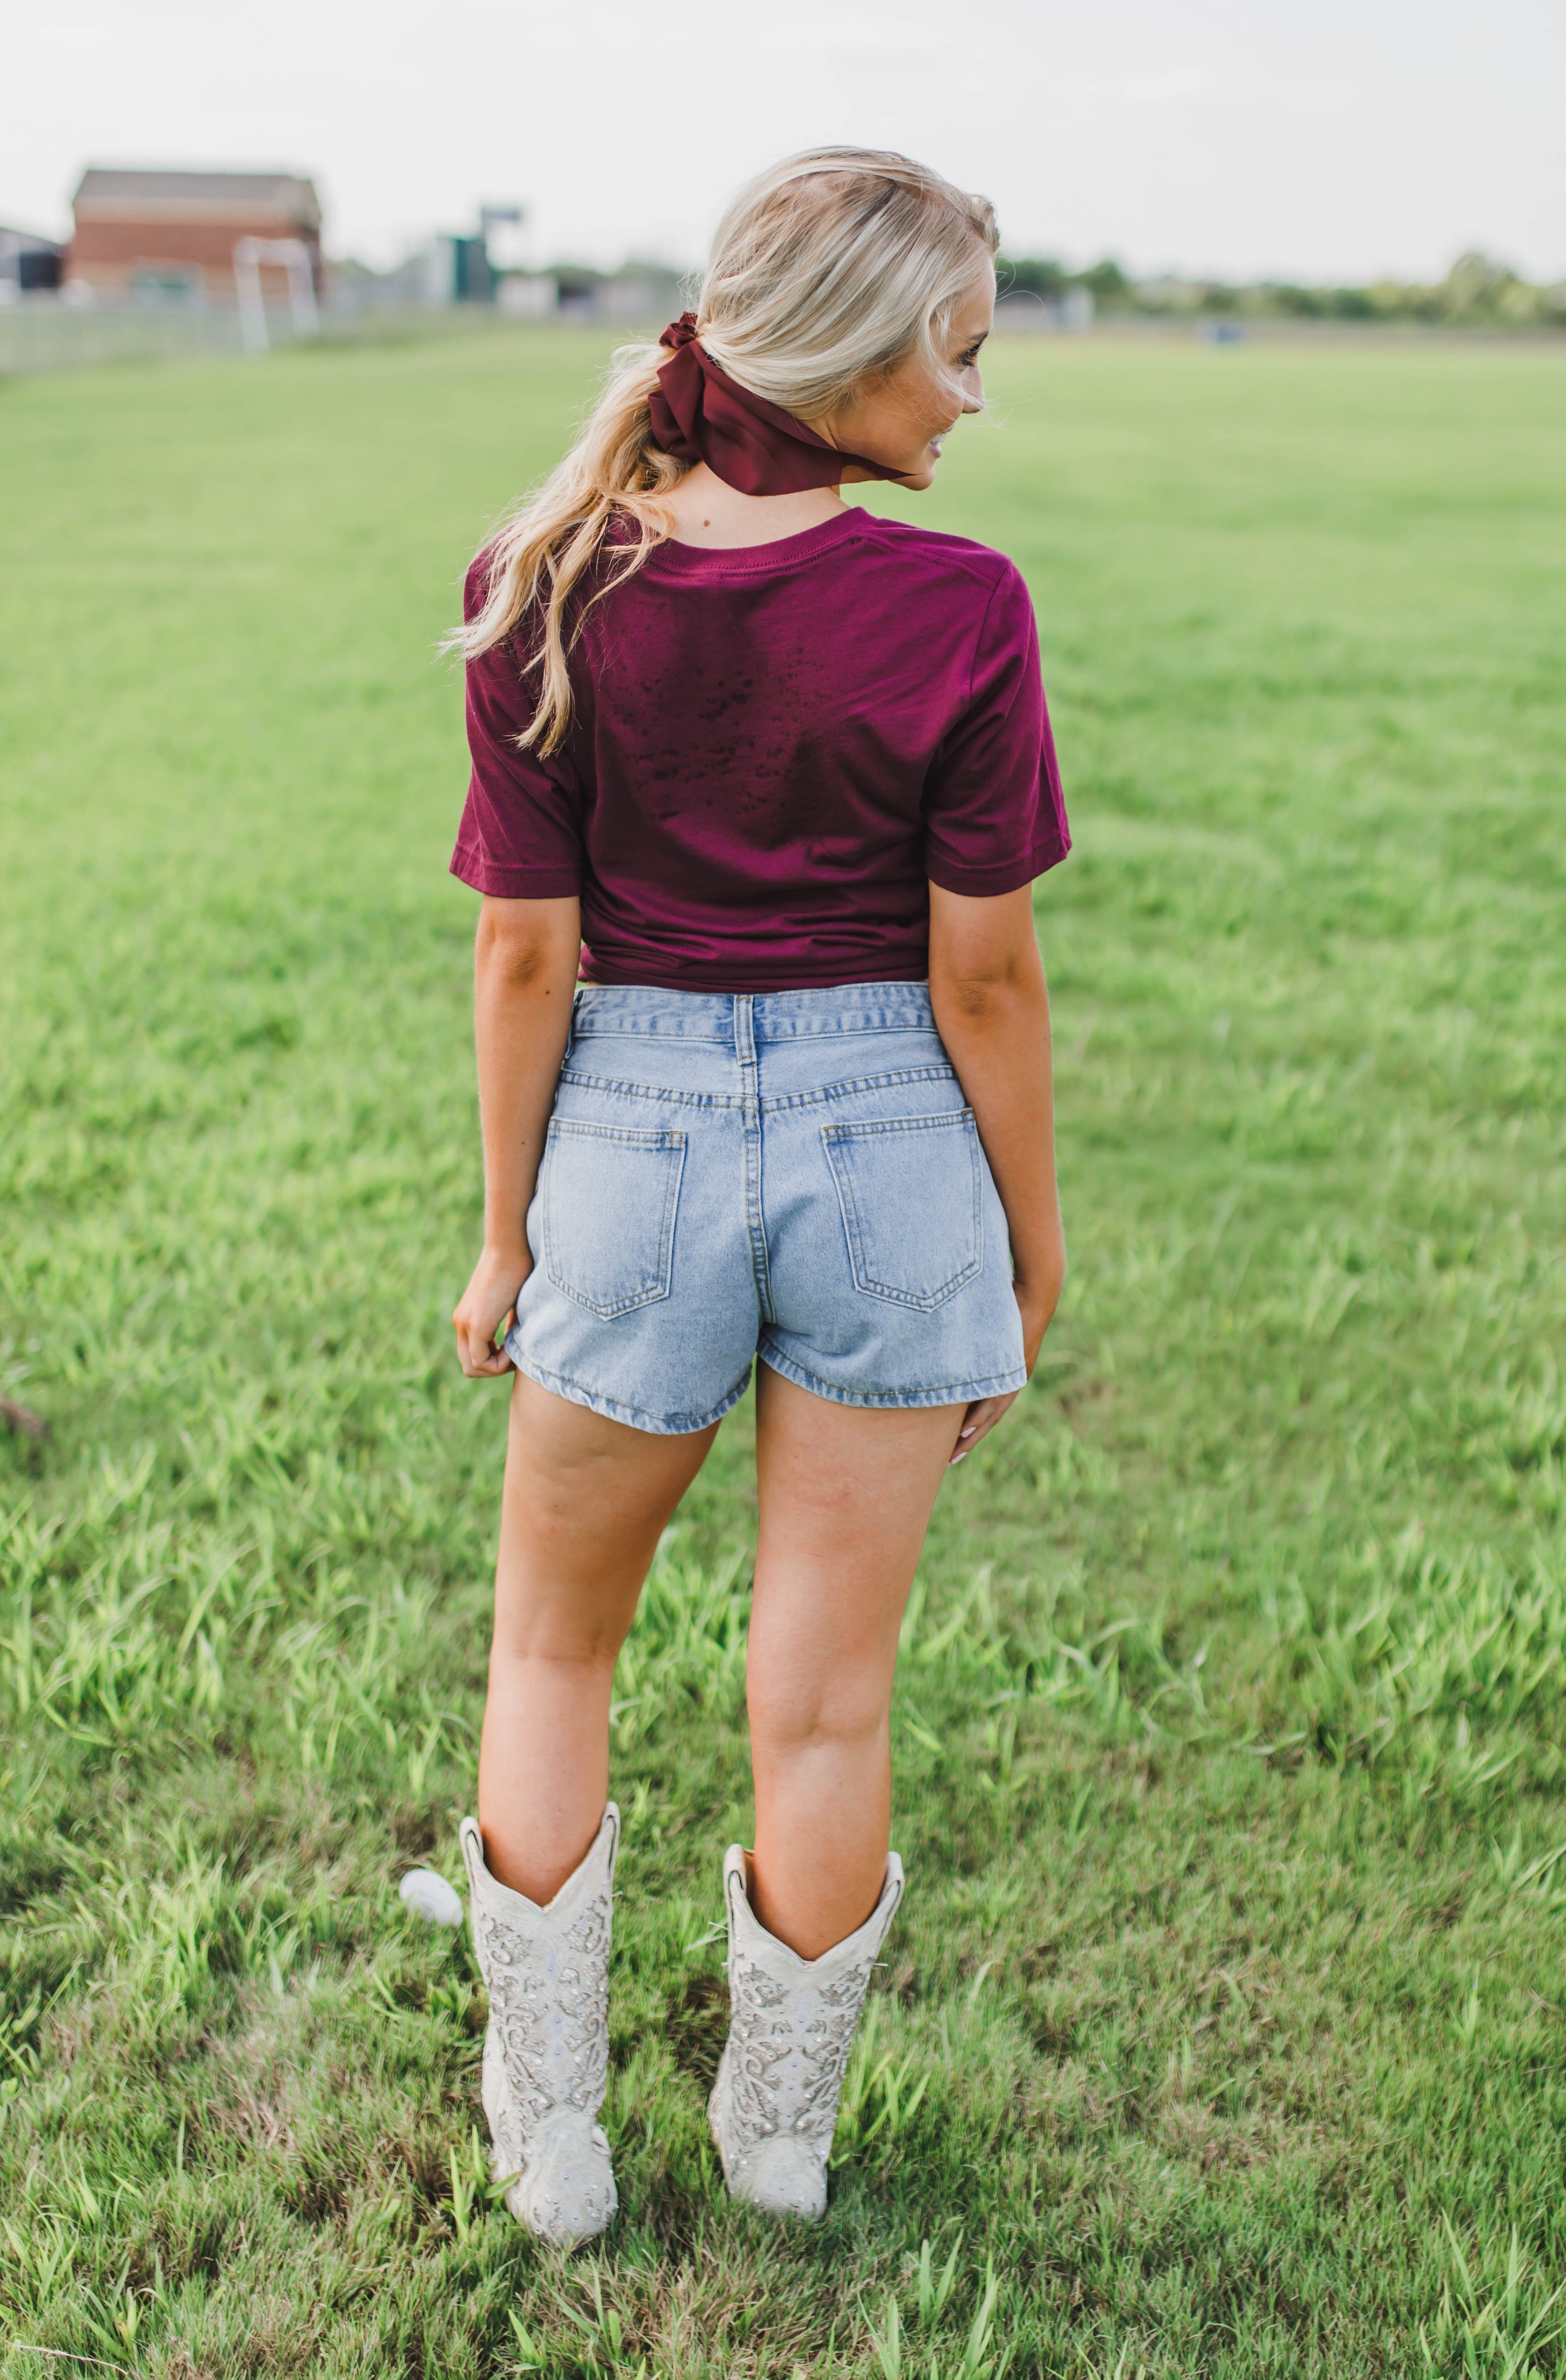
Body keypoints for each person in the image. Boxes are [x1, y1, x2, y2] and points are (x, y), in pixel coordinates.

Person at [447, 146, 1069, 2244]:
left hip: (621, 1143)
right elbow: (978, 970)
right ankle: (774, 2145)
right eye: (960, 352)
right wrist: (1027, 1239)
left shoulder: (543, 575)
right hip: (893, 1143)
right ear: (857, 354)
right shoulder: (958, 602)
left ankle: (553, 2139)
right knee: (824, 1699)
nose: (974, 397)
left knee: (553, 1655)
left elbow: (524, 956)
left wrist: (509, 1231)